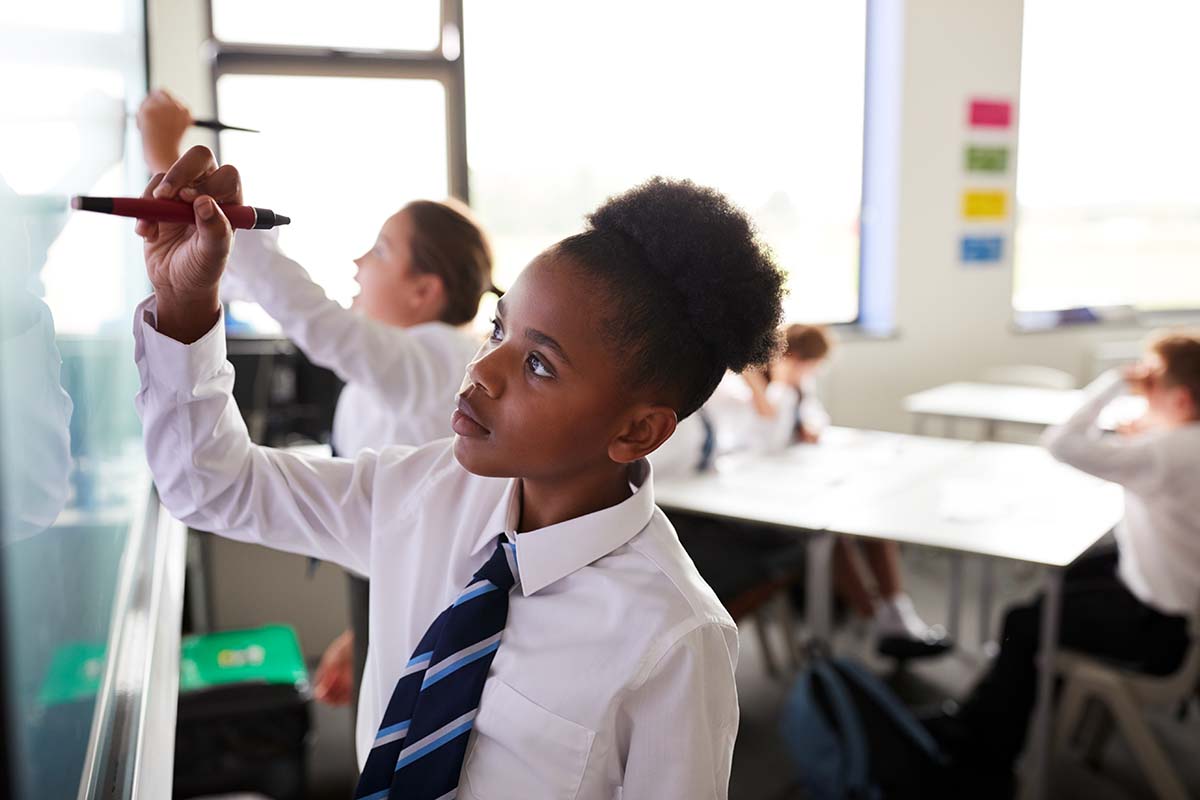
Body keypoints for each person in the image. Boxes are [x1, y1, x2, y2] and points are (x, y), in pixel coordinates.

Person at [133, 145, 786, 797]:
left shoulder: (672, 637)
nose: (481, 371)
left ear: (637, 431)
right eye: (498, 330)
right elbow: (208, 487)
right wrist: (185, 303)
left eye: (538, 365)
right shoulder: (424, 492)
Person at [137, 89, 494, 712]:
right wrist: (363, 630)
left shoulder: (439, 357)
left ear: (424, 291)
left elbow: (312, 318)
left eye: (381, 250)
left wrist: (167, 158)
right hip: (398, 579)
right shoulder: (392, 376)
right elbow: (402, 524)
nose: (358, 262)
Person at [932, 332, 1200, 793]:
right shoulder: (1181, 444)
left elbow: (1060, 442)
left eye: (1148, 380)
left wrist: (1116, 381)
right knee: (1065, 577)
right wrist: (1150, 431)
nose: (1140, 387)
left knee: (1027, 620)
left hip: (1159, 627)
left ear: (1178, 398)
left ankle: (985, 760)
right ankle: (986, 712)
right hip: (1178, 606)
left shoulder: (1166, 453)